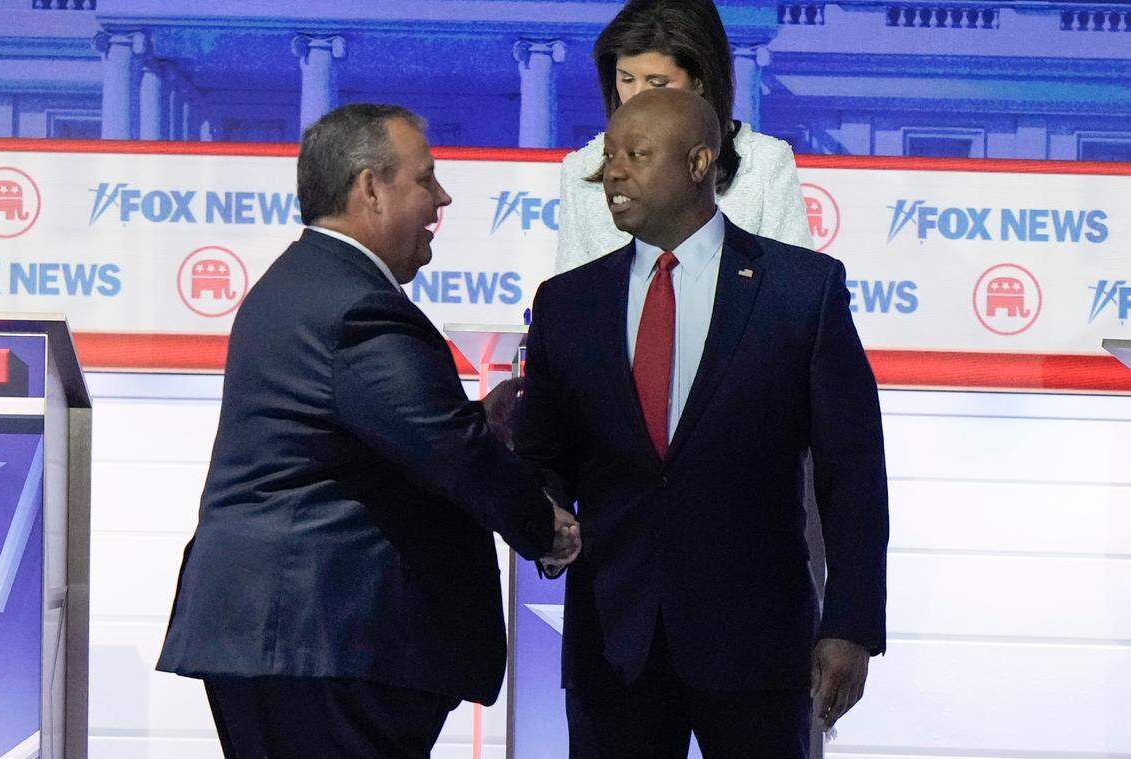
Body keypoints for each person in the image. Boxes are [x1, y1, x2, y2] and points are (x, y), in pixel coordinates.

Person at [156, 103, 580, 759]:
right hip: (323, 636)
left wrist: (478, 424)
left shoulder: (302, 283)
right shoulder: (357, 304)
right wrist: (546, 527)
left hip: (284, 631)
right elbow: (446, 449)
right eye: (426, 179)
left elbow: (392, 437)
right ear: (370, 189)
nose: (442, 197)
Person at [515, 88, 888, 758]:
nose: (614, 173)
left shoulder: (801, 291)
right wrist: (539, 514)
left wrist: (852, 625)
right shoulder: (568, 303)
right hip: (614, 643)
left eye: (636, 154)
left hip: (757, 648)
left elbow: (853, 472)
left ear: (697, 162)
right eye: (609, 156)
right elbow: (544, 452)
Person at [556, 0, 813, 275]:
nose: (638, 97)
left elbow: (796, 291)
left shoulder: (764, 164)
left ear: (700, 80)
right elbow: (570, 301)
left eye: (658, 83)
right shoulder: (581, 169)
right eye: (627, 79)